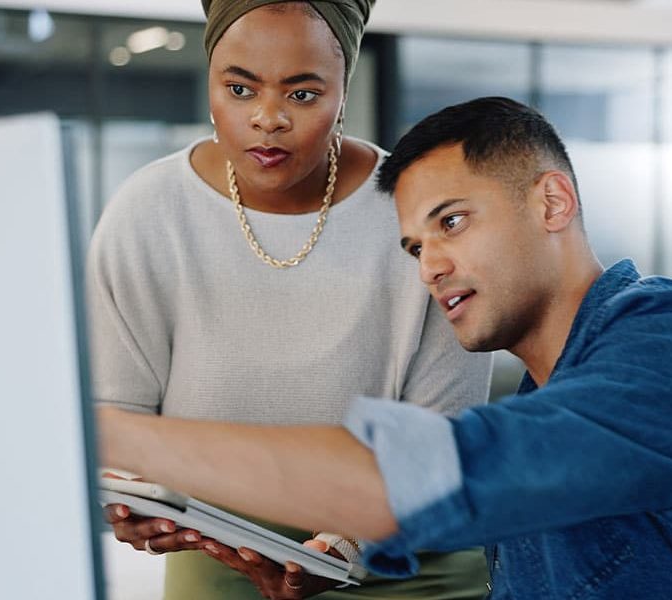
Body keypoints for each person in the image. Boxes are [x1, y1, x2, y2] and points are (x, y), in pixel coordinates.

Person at [98, 96, 672, 599]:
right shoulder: (551, 389)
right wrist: (333, 563)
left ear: (552, 203)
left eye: (452, 222)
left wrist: (105, 433)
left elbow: (410, 479)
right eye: (415, 245)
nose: (430, 265)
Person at [85, 1, 493, 598]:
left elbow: (442, 433)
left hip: (411, 559)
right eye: (240, 89)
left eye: (302, 94)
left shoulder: (416, 210)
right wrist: (131, 497)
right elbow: (114, 422)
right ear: (210, 85)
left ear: (342, 92)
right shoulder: (147, 214)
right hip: (217, 553)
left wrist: (346, 545)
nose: (268, 118)